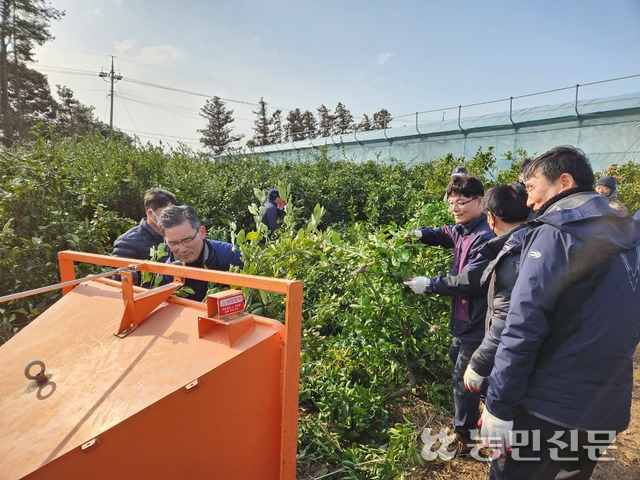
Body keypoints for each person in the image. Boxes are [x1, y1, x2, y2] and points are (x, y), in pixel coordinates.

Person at [480, 146, 640, 479]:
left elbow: (523, 325)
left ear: (563, 182)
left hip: (547, 408)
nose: (528, 201)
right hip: (603, 409)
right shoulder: (628, 234)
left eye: (533, 187)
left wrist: (498, 404)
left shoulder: (555, 233)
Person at [404, 175, 494, 451]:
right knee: (461, 361)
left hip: (477, 320)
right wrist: (421, 234)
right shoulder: (464, 229)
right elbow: (445, 233)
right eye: (451, 203)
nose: (455, 208)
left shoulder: (485, 236)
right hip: (464, 319)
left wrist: (430, 284)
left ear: (479, 201)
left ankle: (466, 434)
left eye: (462, 203)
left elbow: (470, 281)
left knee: (463, 378)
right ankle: (497, 408)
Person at [462, 184, 531, 394]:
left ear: (491, 218)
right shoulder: (539, 239)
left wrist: (479, 363)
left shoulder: (513, 259)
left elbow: (504, 317)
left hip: (511, 361)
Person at [157, 205, 243, 302]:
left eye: (187, 240)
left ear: (202, 232)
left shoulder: (231, 256)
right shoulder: (167, 273)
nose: (182, 249)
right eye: (173, 243)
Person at [112, 188, 176, 260]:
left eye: (172, 212)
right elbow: (122, 270)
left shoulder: (177, 235)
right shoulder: (127, 242)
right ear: (150, 213)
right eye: (165, 213)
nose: (170, 216)